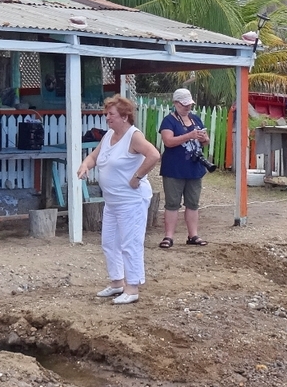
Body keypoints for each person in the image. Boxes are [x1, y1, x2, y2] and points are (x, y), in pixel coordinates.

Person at [74, 95, 159, 305]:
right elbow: (94, 156)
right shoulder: (109, 135)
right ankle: (117, 282)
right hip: (112, 201)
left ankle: (133, 288)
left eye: (111, 114)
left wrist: (137, 177)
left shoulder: (133, 136)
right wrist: (86, 165)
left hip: (131, 200)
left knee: (130, 243)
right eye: (106, 114)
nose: (107, 118)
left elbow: (154, 155)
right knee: (109, 242)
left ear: (124, 116)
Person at [158, 86, 210, 248]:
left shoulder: (196, 119)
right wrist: (189, 135)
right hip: (174, 168)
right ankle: (169, 236)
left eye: (189, 105)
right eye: (184, 105)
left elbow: (205, 141)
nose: (187, 107)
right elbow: (168, 141)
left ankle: (193, 235)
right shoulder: (169, 120)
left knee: (193, 202)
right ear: (175, 103)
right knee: (172, 203)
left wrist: (203, 138)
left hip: (194, 167)